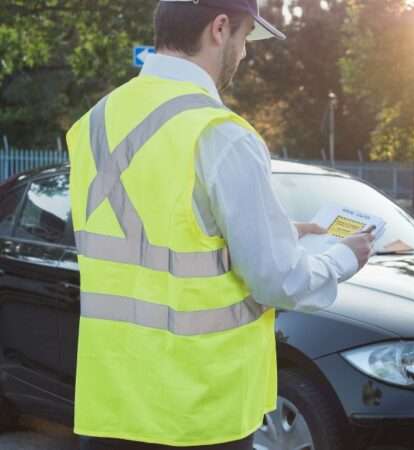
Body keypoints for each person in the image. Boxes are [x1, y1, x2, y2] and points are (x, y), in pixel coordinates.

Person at [65, 1, 374, 449]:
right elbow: (276, 281)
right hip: (198, 414)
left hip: (110, 407)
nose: (244, 53)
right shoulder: (220, 133)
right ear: (220, 28)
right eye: (245, 37)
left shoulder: (94, 124)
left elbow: (151, 236)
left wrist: (281, 231)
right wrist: (344, 257)